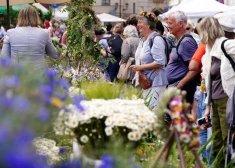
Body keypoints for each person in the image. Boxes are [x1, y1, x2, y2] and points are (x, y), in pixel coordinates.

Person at [198, 17, 235, 167]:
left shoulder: (227, 45)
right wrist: (207, 108)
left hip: (229, 100)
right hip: (216, 101)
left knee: (229, 141)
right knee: (216, 142)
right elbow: (209, 81)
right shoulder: (208, 51)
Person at [130, 11, 168, 111]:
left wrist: (140, 68)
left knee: (153, 113)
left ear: (148, 24)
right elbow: (140, 59)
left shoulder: (156, 39)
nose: (137, 25)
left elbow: (160, 62)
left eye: (140, 22)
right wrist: (136, 76)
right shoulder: (142, 40)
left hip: (155, 83)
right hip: (144, 82)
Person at [0, 6, 57, 72]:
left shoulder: (10, 33)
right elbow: (53, 54)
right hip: (40, 74)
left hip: (18, 75)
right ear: (36, 17)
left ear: (20, 18)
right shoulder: (44, 32)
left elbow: (4, 58)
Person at [166, 11, 198, 104]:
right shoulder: (180, 40)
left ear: (180, 24)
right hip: (176, 89)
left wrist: (180, 84)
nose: (168, 26)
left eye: (170, 23)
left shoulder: (186, 42)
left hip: (182, 91)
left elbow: (195, 69)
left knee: (179, 118)